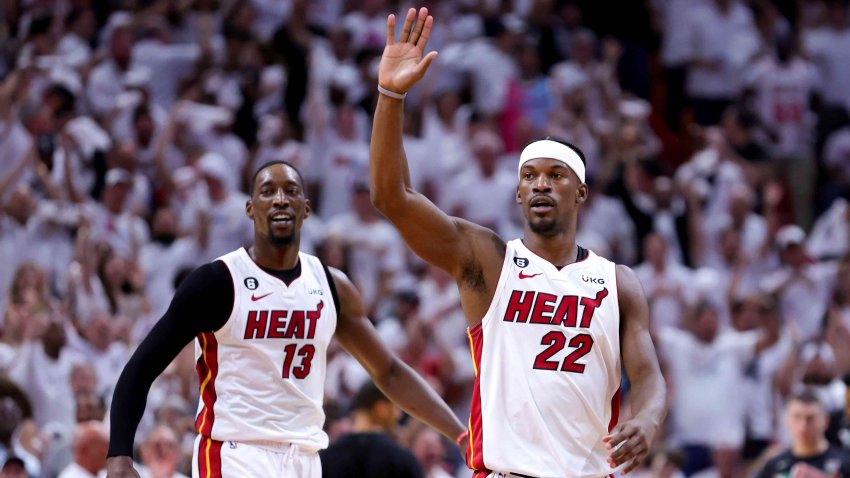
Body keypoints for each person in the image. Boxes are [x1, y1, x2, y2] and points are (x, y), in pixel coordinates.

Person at [369, 7, 666, 477]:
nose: (541, 184)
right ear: (518, 192)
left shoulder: (619, 282)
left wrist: (648, 419)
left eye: (555, 175)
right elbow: (391, 197)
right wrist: (390, 95)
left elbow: (648, 374)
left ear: (581, 191)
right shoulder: (487, 260)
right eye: (530, 176)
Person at [106, 160, 465, 477]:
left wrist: (462, 435)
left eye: (291, 191)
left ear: (306, 208)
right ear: (250, 208)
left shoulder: (332, 285)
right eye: (267, 191)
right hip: (235, 451)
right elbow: (140, 368)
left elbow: (389, 371)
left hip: (305, 457)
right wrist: (119, 456)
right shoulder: (217, 282)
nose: (280, 199)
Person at [320, 381, 423, 478]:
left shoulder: (327, 456)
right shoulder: (404, 460)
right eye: (396, 407)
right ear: (381, 408)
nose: (399, 415)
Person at [756, 391, 850, 478]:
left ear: (825, 421)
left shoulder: (845, 462)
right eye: (797, 417)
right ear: (787, 420)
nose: (803, 425)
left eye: (810, 418)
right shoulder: (774, 465)